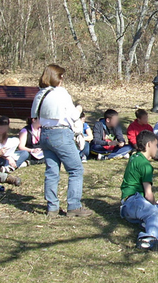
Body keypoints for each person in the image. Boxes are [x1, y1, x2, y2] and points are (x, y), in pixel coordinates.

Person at [31, 64, 92, 217]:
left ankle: (52, 207)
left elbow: (35, 117)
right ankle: (74, 206)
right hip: (61, 134)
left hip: (44, 134)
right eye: (61, 76)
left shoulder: (39, 94)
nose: (63, 79)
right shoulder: (60, 93)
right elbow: (73, 115)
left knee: (51, 172)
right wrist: (78, 109)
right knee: (76, 169)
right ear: (56, 77)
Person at [120, 131, 158, 252]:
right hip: (134, 201)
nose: (157, 148)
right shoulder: (145, 165)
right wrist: (154, 206)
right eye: (155, 145)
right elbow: (148, 194)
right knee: (157, 215)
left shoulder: (134, 156)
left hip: (127, 206)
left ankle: (148, 223)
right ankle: (148, 239)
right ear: (148, 145)